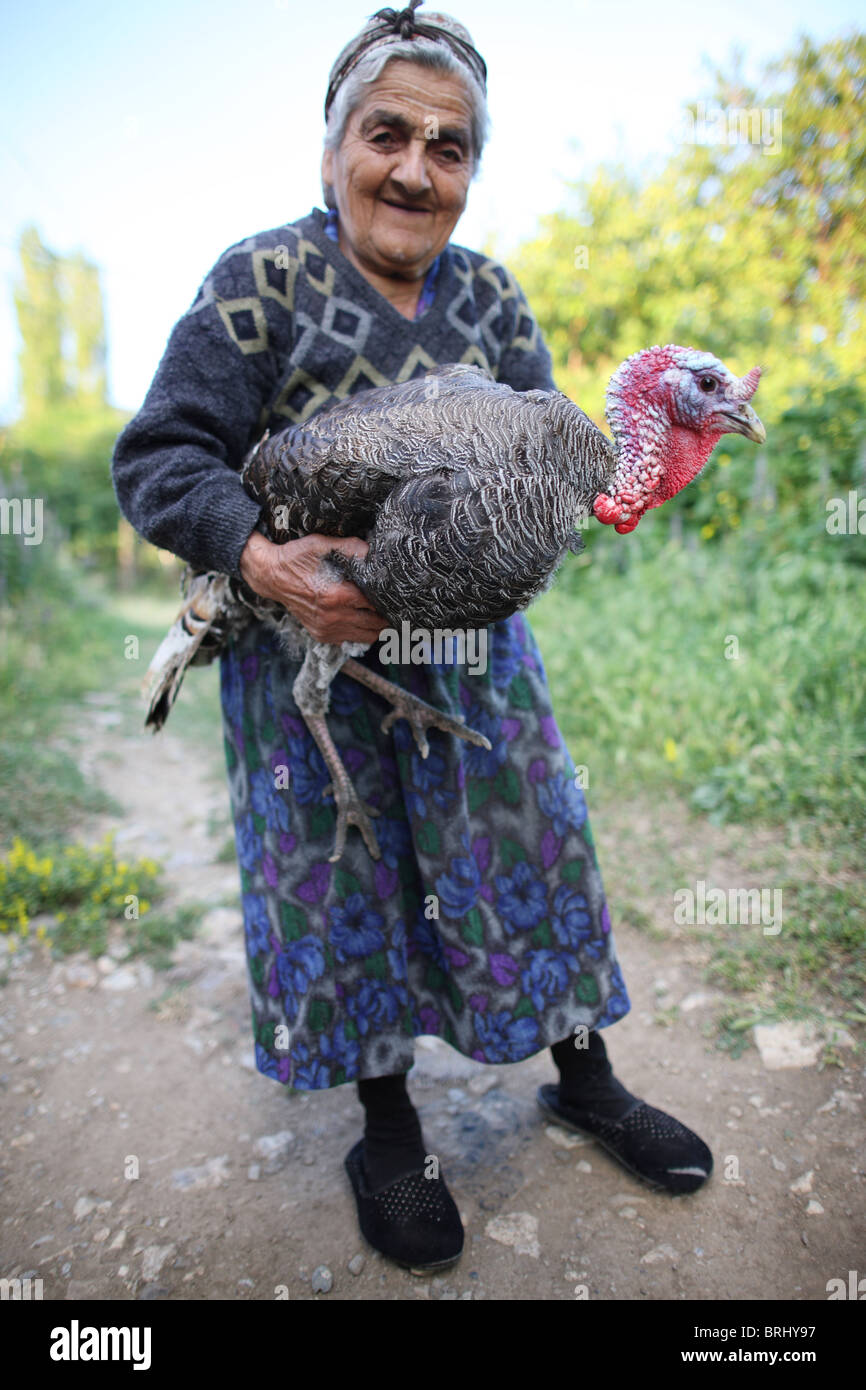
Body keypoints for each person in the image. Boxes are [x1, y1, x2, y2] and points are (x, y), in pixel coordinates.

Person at [111, 1, 712, 1274]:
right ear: (332, 147)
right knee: (345, 878)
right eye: (386, 134)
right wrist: (261, 556)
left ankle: (583, 1074)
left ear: (469, 172)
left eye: (450, 148)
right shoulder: (257, 281)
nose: (413, 169)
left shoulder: (491, 298)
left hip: (471, 662)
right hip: (302, 661)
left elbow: (557, 467)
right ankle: (389, 1130)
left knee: (531, 850)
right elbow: (162, 457)